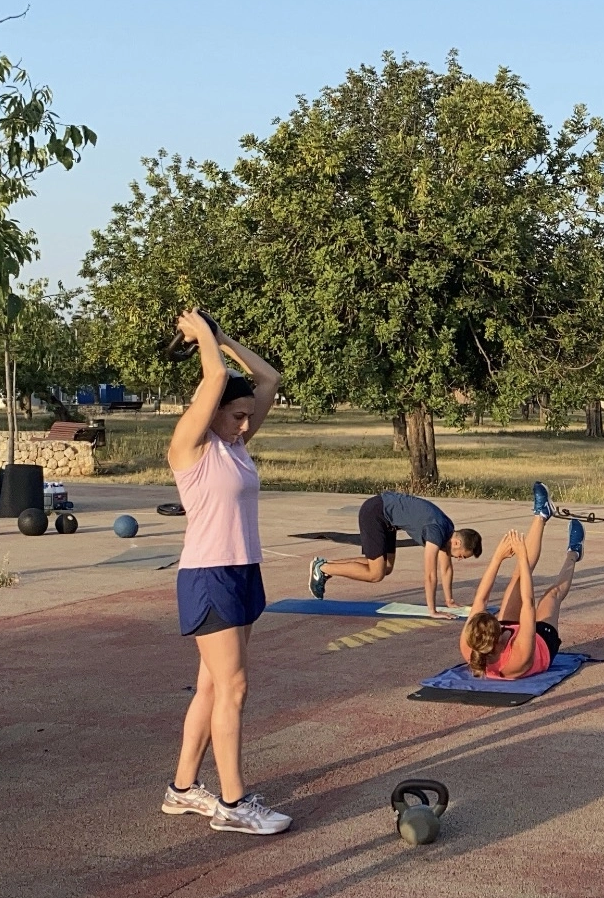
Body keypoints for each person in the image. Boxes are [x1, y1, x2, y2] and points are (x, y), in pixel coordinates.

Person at [159, 311, 290, 836]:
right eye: (235, 416)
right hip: (208, 573)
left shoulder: (235, 447)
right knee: (234, 688)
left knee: (212, 689)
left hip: (241, 571)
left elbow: (270, 380)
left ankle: (183, 789)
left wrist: (224, 339)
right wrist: (203, 338)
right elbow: (214, 379)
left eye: (245, 416)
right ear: (212, 412)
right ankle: (234, 804)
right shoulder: (190, 449)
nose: (244, 424)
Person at [460, 484, 583, 680]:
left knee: (516, 579)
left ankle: (542, 514)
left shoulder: (470, 643)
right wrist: (522, 557)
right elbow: (528, 602)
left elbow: (480, 598)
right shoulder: (517, 659)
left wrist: (497, 558)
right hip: (541, 644)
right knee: (551, 596)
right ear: (499, 638)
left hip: (502, 641)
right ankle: (574, 552)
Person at [308, 492, 482, 617]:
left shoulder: (448, 530)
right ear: (457, 543)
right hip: (376, 513)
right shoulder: (436, 532)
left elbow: (446, 569)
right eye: (462, 555)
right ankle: (323, 568)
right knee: (376, 574)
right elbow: (430, 575)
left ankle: (324, 566)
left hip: (386, 518)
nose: (459, 558)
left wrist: (449, 600)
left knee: (386, 567)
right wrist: (433, 611)